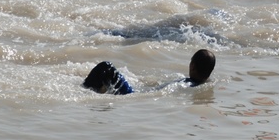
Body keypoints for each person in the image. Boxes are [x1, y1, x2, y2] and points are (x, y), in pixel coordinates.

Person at [82, 49, 216, 95]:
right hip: (137, 93)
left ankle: (83, 90)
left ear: (192, 66)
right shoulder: (196, 85)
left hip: (132, 95)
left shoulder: (186, 84)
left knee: (106, 67)